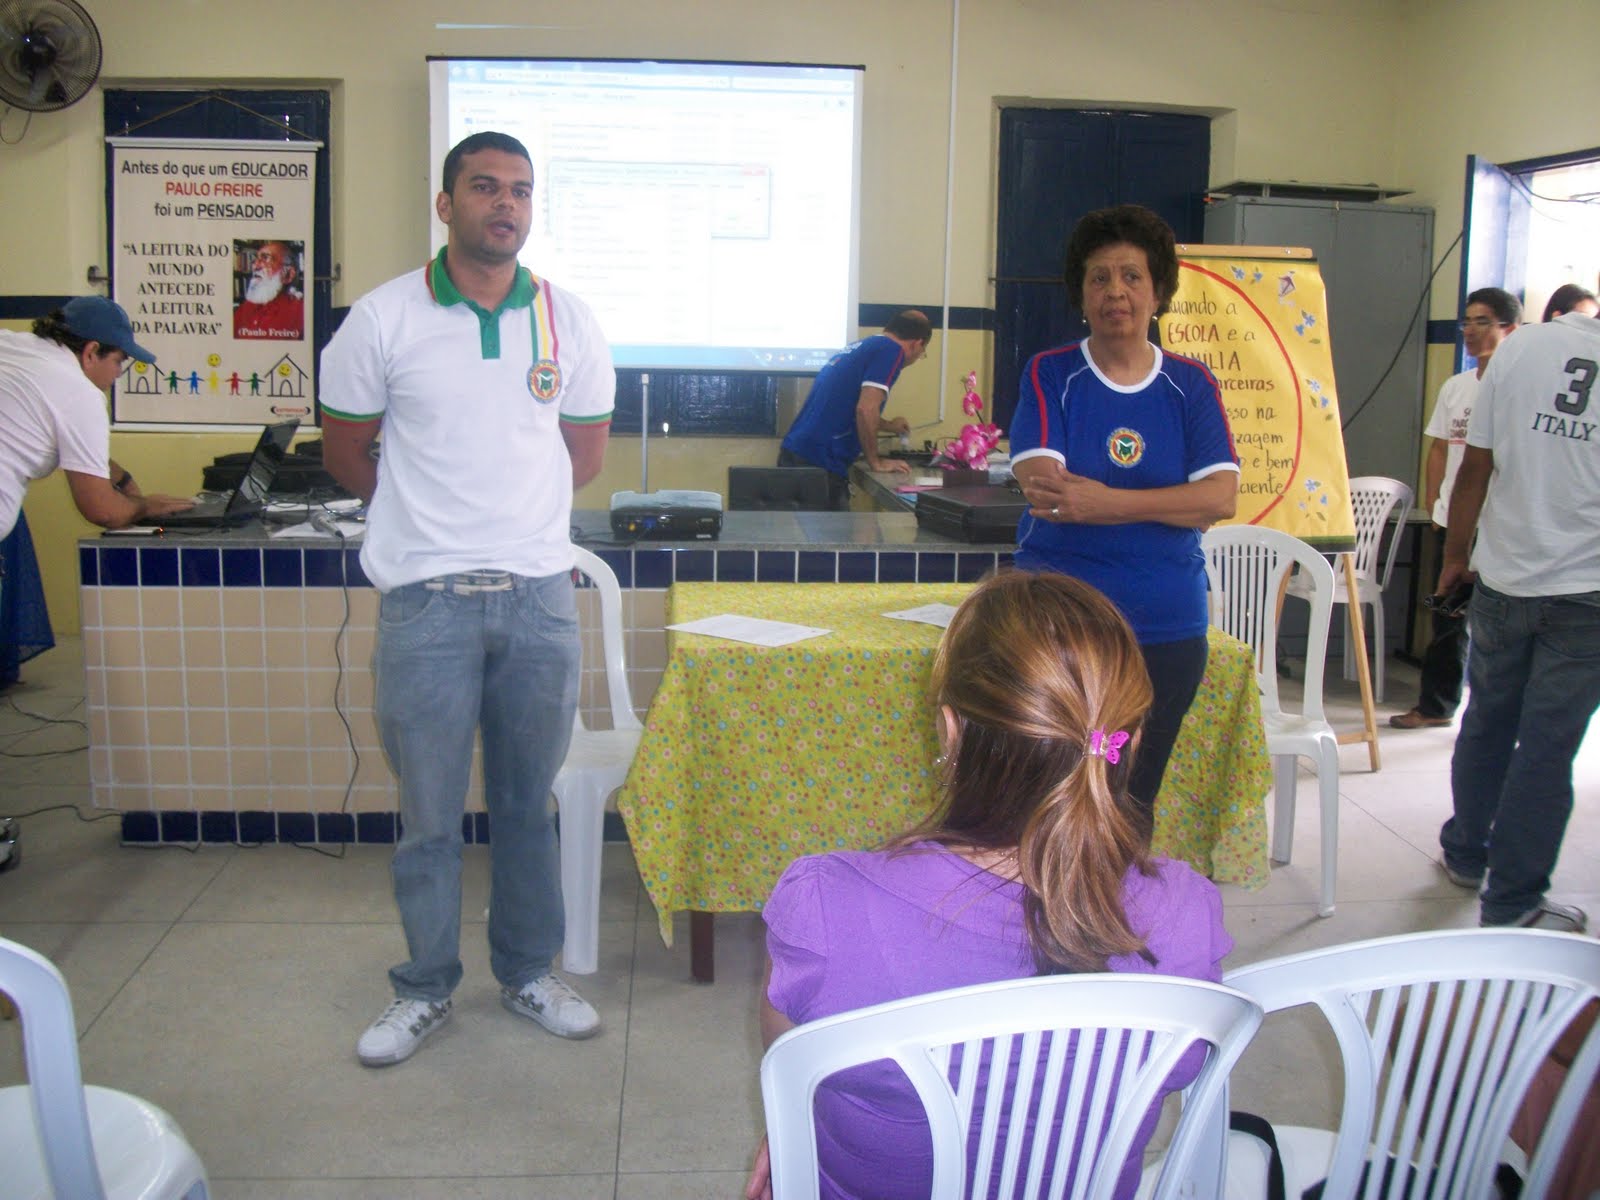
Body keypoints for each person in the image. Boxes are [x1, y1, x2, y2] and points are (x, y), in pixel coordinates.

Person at [743, 570, 1232, 1200]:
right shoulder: (1187, 914)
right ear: (1130, 741)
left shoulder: (824, 905)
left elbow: (794, 1083)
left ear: (952, 730)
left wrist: (787, 1135)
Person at [320, 130, 616, 1066]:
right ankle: (423, 990)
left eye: (521, 191)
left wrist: (511, 530)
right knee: (430, 820)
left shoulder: (569, 320)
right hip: (426, 607)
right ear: (445, 204)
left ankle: (529, 973)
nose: (505, 205)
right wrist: (427, 524)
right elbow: (344, 452)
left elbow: (584, 457)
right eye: (485, 187)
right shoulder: (381, 318)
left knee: (530, 806)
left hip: (537, 602)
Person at [1008, 204, 1239, 818]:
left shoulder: (1190, 385)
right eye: (1100, 278)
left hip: (1165, 628)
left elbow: (1220, 498)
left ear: (1159, 292)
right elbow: (1049, 493)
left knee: (1131, 792)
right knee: (1058, 788)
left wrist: (1105, 501)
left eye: (1133, 277)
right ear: (1081, 295)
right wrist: (1171, 505)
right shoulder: (1051, 374)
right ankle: (1047, 909)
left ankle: (1111, 910)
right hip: (1064, 628)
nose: (1116, 292)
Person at [1435, 304, 1600, 932]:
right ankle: (1512, 904)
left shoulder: (1520, 349)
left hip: (1503, 576)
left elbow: (1475, 468)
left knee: (1487, 720)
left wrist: (1455, 556)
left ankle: (1466, 854)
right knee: (1547, 750)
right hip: (1587, 593)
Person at [1390, 287, 1520, 730]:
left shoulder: (1519, 390)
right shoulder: (1457, 387)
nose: (1469, 330)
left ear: (1510, 329)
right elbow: (1440, 449)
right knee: (1447, 621)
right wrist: (1434, 504)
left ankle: (1492, 716)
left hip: (1499, 526)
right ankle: (1436, 706)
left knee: (1497, 626)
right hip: (1453, 521)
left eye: (1482, 321)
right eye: (1466, 321)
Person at [0, 296, 194, 554]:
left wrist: (121, 479)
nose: (117, 374)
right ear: (91, 352)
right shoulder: (80, 392)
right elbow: (102, 510)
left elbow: (63, 438)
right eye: (118, 361)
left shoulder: (11, 345)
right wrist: (145, 506)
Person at [778, 309, 932, 509]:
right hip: (820, 462)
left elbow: (847, 406)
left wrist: (890, 426)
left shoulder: (860, 346)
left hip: (796, 453)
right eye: (923, 353)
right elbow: (865, 409)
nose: (918, 357)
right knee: (836, 539)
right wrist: (876, 462)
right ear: (917, 343)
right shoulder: (892, 351)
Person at [233, 240, 305, 339]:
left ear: (288, 274)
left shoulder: (300, 312)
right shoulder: (245, 309)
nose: (255, 266)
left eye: (265, 258)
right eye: (255, 260)